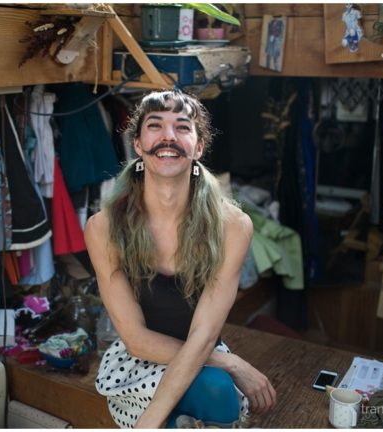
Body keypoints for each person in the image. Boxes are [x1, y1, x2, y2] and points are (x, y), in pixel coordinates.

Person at [85, 90, 276, 428]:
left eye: (182, 127)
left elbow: (203, 335)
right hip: (139, 361)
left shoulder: (232, 226)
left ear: (198, 147)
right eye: (155, 125)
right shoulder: (104, 228)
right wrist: (233, 363)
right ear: (138, 145)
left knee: (217, 393)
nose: (168, 136)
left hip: (202, 351)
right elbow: (136, 339)